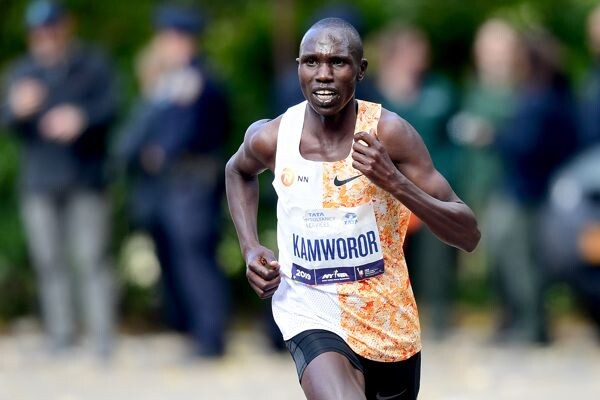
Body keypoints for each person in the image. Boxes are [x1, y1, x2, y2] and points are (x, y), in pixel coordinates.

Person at [226, 18, 480, 399]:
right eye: (311, 62)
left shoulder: (388, 134)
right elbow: (237, 171)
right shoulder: (276, 136)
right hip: (309, 309)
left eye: (338, 62)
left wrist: (393, 181)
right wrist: (250, 248)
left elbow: (468, 233)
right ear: (298, 67)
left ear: (361, 70)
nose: (323, 74)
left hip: (387, 321)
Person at [0, 0, 118, 358]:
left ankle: (102, 339)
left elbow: (113, 108)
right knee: (48, 262)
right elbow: (6, 121)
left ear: (66, 27)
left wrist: (82, 118)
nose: (45, 37)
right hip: (38, 183)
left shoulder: (92, 65)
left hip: (86, 180)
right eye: (38, 32)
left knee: (91, 258)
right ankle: (61, 337)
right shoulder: (22, 72)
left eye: (51, 29)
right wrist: (17, 109)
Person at [116, 4, 230, 358]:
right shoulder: (169, 83)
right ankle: (194, 331)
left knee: (196, 259)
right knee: (178, 261)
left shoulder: (202, 80)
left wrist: (163, 150)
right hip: (171, 186)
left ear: (182, 40)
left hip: (193, 181)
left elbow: (206, 128)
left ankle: (210, 337)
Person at [374, 25, 459, 338]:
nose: (421, 57)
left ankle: (439, 317)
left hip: (430, 190)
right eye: (413, 50)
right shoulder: (374, 92)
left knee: (435, 256)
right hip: (388, 189)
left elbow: (452, 139)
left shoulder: (440, 90)